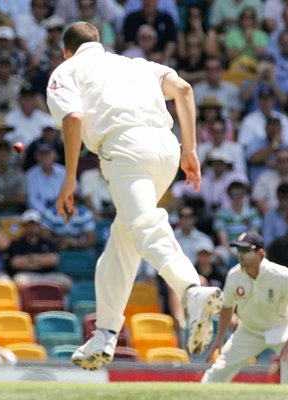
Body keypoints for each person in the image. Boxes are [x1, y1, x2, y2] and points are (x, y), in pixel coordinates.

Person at [46, 22, 224, 370]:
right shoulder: (135, 63)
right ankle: (106, 334)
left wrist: (69, 178)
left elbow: (72, 117)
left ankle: (192, 290)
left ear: (66, 49)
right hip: (166, 150)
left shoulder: (66, 70)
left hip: (126, 150)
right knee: (123, 240)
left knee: (143, 225)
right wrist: (191, 150)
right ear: (99, 42)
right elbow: (184, 89)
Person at [202, 231, 288, 384]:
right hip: (248, 330)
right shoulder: (234, 275)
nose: (240, 254)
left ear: (261, 253)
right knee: (215, 374)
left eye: (246, 250)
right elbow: (227, 306)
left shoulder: (281, 275)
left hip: (280, 329)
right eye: (238, 250)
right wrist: (220, 337)